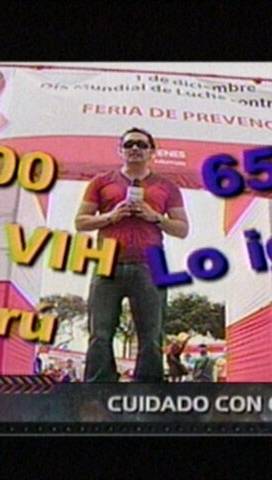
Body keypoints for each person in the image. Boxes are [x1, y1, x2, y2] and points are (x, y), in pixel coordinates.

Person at [75, 127, 189, 382]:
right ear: (120, 150)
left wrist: (155, 217)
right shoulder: (101, 182)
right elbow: (80, 222)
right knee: (100, 332)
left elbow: (182, 229)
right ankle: (99, 388)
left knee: (151, 334)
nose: (135, 148)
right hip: (107, 259)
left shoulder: (167, 186)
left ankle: (148, 388)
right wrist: (111, 216)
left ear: (152, 151)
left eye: (141, 144)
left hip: (152, 262)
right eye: (129, 145)